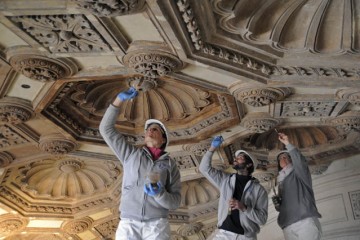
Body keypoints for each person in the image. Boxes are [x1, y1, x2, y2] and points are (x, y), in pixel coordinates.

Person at [99, 87, 181, 240]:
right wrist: (118, 100)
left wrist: (159, 194)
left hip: (157, 224)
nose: (149, 131)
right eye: (147, 129)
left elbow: (175, 202)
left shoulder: (171, 165)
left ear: (163, 139)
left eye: (154, 129)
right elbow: (105, 129)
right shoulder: (130, 154)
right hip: (129, 222)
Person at [199, 136, 268, 240]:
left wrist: (244, 208)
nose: (235, 159)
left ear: (249, 165)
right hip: (223, 234)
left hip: (245, 237)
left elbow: (262, 219)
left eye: (240, 158)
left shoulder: (259, 190)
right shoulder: (225, 180)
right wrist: (212, 148)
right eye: (236, 158)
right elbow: (204, 168)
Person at [272, 132, 322, 240]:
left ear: (291, 159)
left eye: (285, 156)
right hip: (287, 225)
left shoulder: (300, 174)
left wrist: (287, 144)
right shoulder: (280, 182)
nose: (283, 159)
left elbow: (299, 161)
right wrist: (279, 206)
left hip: (305, 221)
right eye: (280, 158)